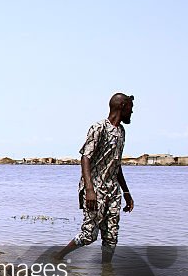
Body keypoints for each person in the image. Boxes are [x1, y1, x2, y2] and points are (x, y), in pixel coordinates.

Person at [55, 93, 135, 262]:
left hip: (113, 190)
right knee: (88, 235)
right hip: (95, 189)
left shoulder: (121, 131)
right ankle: (57, 257)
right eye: (130, 108)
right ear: (122, 106)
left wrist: (127, 192)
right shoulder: (99, 128)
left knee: (111, 238)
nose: (132, 112)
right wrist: (89, 189)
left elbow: (116, 164)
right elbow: (85, 157)